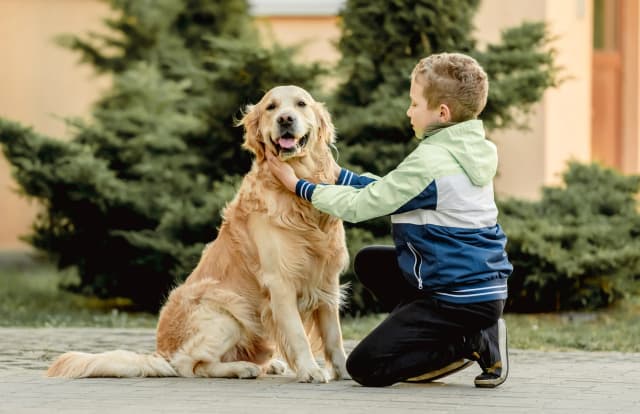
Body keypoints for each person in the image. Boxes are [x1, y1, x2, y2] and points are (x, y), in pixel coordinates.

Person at [266, 52, 512, 388]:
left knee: (366, 367)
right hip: (481, 284)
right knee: (371, 262)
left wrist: (299, 186)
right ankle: (474, 326)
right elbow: (394, 190)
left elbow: (363, 206)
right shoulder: (471, 149)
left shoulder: (432, 161)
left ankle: (468, 341)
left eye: (414, 104)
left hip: (455, 296)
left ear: (442, 113)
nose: (409, 111)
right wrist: (339, 175)